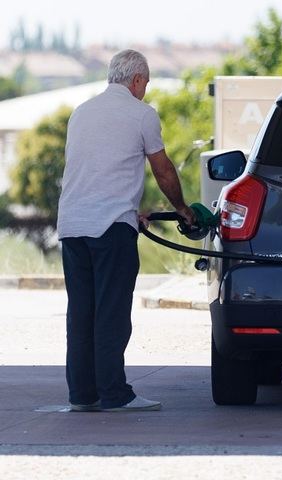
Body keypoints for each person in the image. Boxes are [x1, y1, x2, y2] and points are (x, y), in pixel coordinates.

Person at [57, 49, 195, 412]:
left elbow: (96, 170)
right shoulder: (141, 115)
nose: (145, 90)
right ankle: (116, 395)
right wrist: (182, 209)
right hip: (109, 229)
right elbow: (163, 170)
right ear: (136, 80)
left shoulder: (81, 113)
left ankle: (82, 396)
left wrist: (129, 211)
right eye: (145, 83)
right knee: (112, 313)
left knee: (82, 312)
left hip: (72, 226)